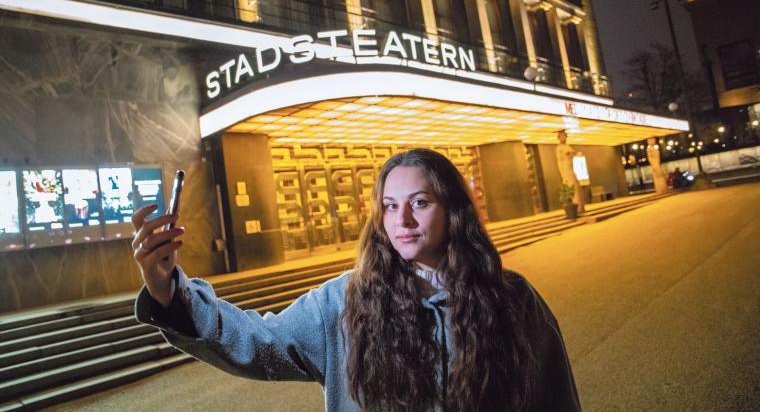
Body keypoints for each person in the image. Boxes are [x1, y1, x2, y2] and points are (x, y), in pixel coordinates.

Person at [132, 148, 580, 411]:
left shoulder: (511, 298)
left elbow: (556, 400)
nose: (401, 219)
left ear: (453, 210)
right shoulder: (345, 302)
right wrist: (169, 291)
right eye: (389, 205)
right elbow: (258, 342)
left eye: (420, 202)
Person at [554, 130, 585, 213]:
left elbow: (573, 153)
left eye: (564, 136)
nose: (564, 138)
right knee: (570, 186)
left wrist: (572, 153)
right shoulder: (559, 148)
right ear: (559, 138)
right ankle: (575, 208)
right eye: (562, 136)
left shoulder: (567, 146)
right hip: (565, 169)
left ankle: (580, 208)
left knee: (576, 186)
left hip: (571, 168)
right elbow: (560, 160)